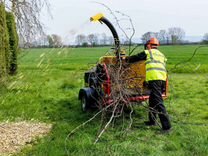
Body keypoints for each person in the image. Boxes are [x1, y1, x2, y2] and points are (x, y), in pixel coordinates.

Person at [126, 38, 171, 132]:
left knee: (158, 102)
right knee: (152, 100)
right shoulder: (161, 54)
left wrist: (125, 59)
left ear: (149, 45)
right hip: (162, 79)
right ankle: (152, 121)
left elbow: (134, 58)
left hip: (155, 79)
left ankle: (167, 127)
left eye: (147, 46)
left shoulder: (148, 52)